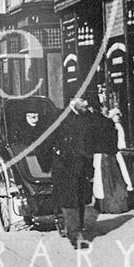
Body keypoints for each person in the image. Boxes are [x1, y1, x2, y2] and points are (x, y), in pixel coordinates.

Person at [49, 97, 96, 248]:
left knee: (81, 199)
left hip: (82, 165)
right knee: (70, 199)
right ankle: (75, 236)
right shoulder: (59, 117)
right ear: (73, 101)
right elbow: (48, 140)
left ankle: (77, 228)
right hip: (64, 165)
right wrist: (50, 161)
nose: (87, 104)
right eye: (84, 100)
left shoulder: (87, 117)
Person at [87, 93, 129, 214]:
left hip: (99, 155)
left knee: (100, 181)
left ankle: (104, 206)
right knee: (115, 181)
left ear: (90, 108)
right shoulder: (108, 122)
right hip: (111, 155)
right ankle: (119, 205)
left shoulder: (91, 123)